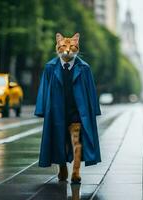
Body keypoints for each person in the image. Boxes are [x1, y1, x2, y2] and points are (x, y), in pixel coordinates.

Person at [35, 33, 101, 184]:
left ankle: (76, 172)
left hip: (76, 112)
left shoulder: (84, 68)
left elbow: (91, 91)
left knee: (77, 142)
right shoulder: (50, 67)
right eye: (64, 46)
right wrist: (42, 109)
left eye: (72, 46)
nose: (68, 50)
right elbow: (44, 90)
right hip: (57, 112)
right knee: (60, 141)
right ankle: (62, 166)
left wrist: (94, 109)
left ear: (77, 47)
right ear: (57, 46)